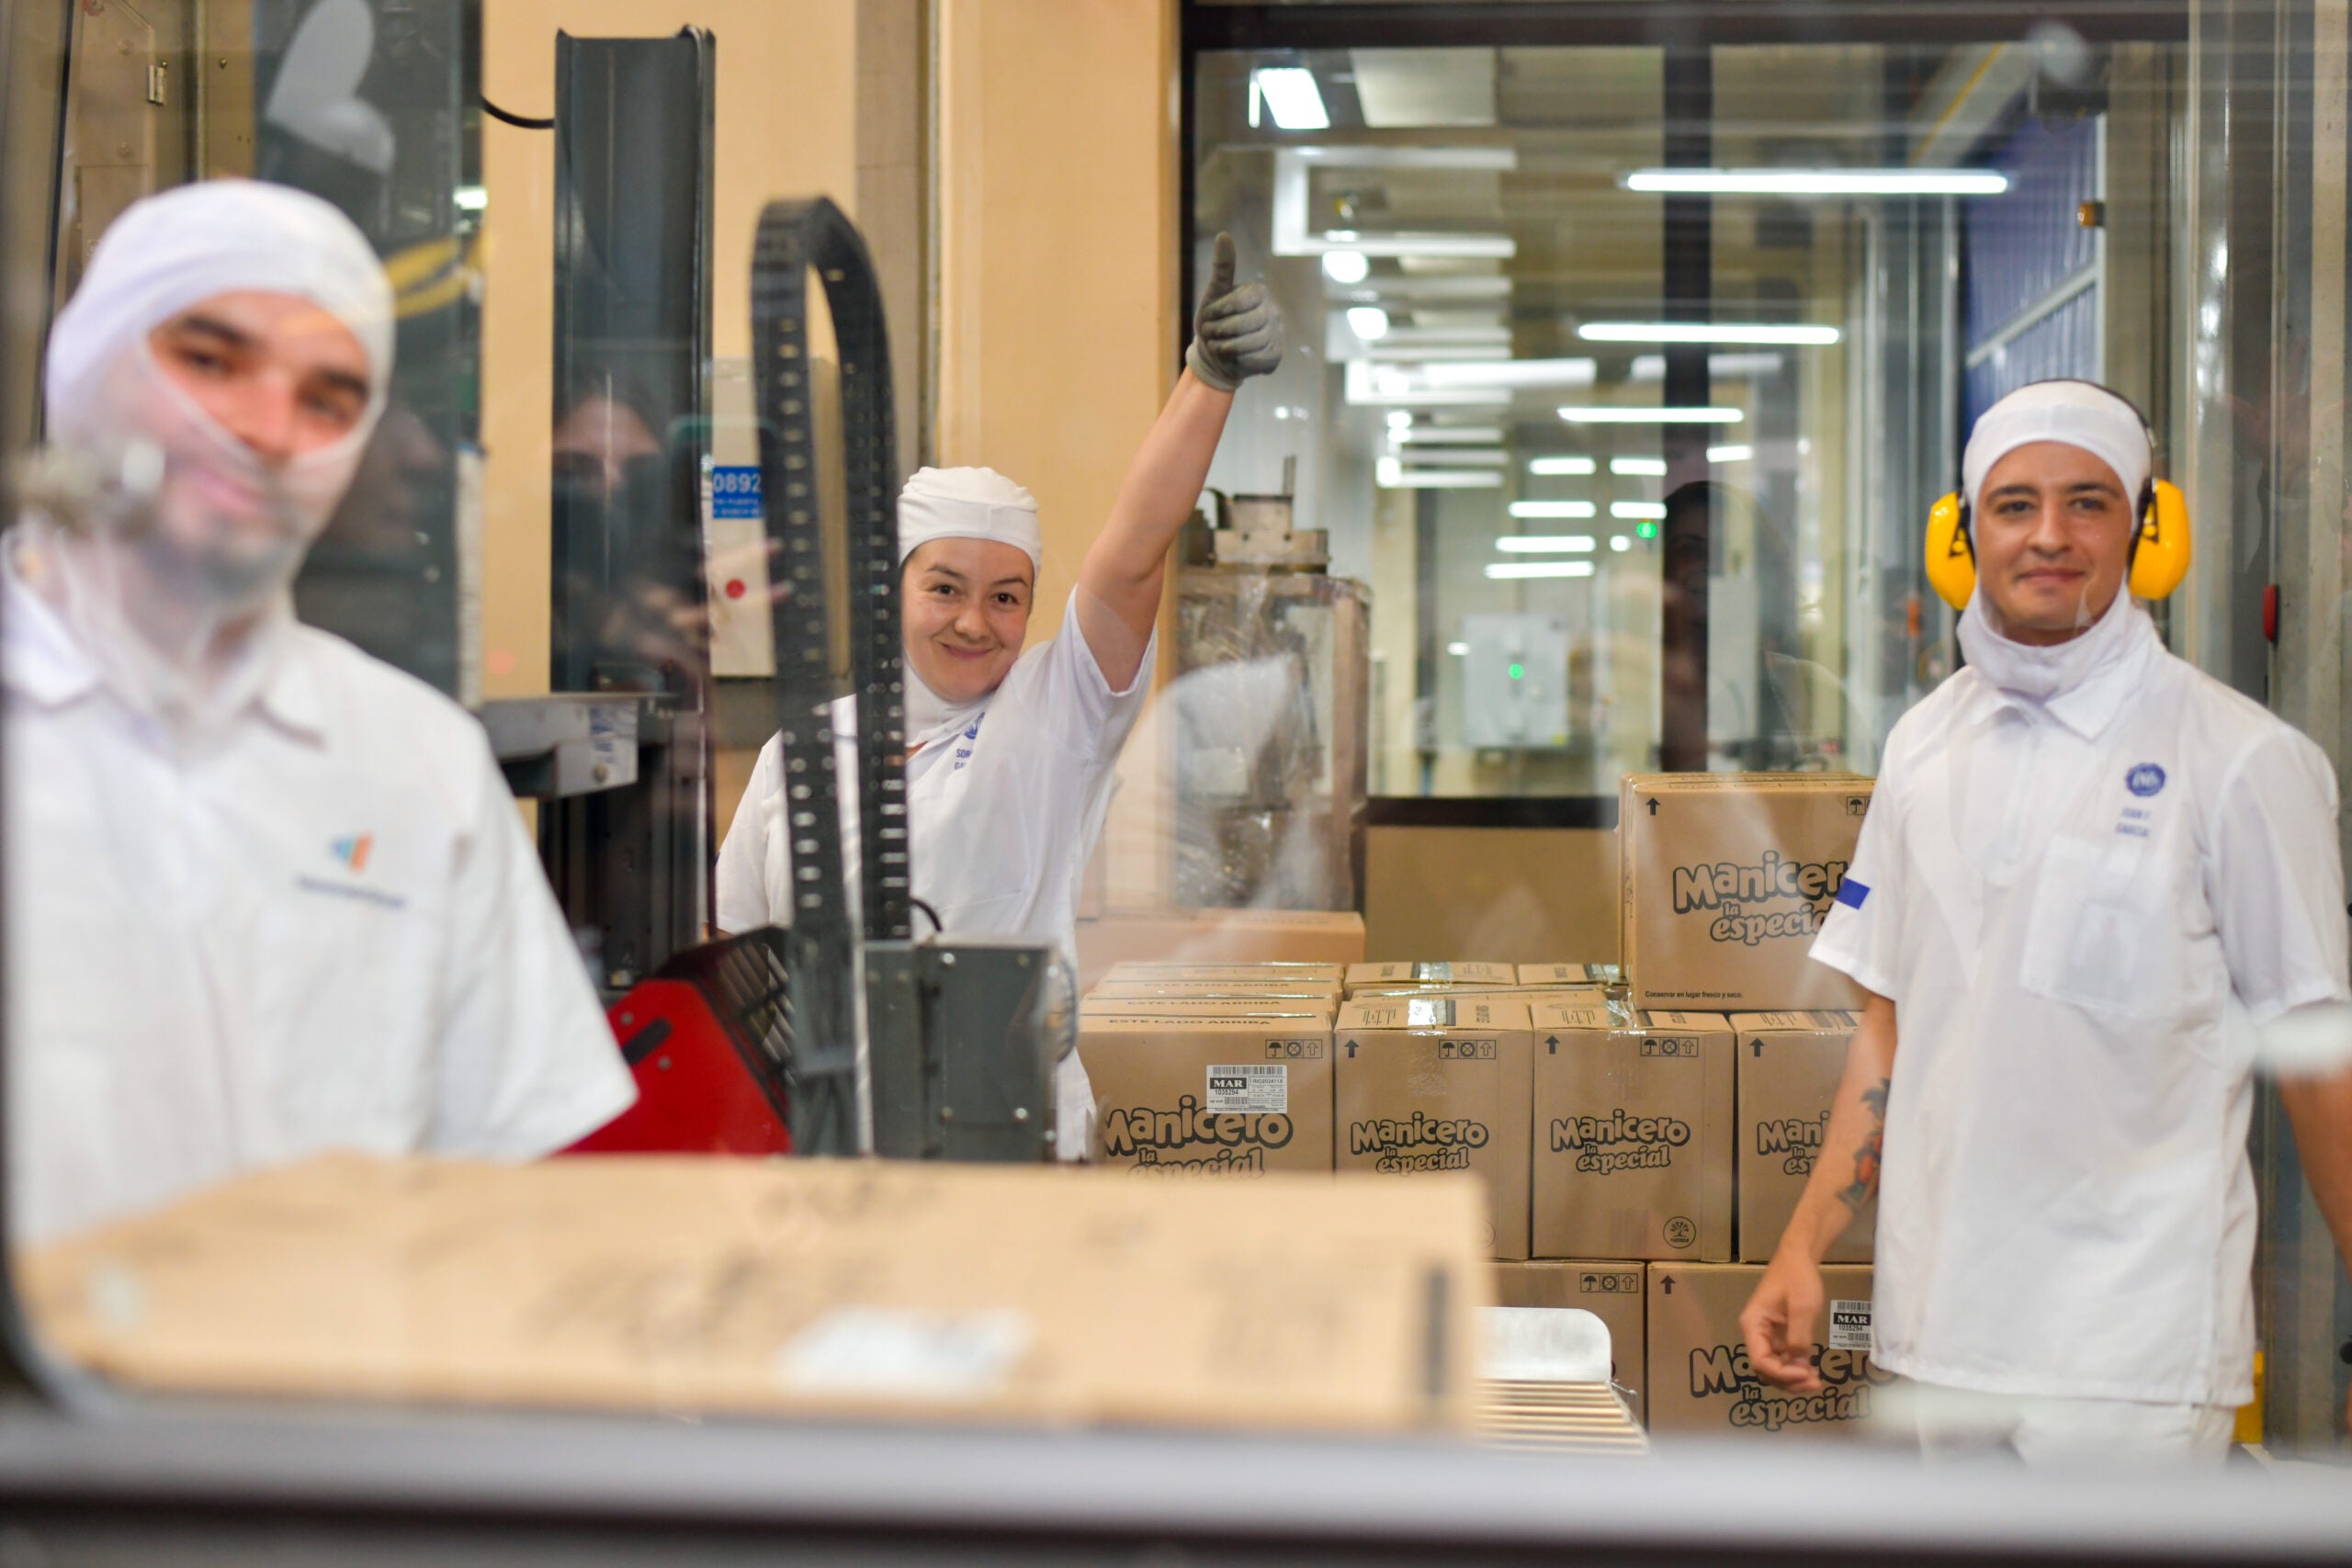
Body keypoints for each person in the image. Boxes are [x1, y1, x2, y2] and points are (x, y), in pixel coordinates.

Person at [5, 180, 636, 1244]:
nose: (266, 429)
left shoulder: (414, 763)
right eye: (207, 360)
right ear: (84, 369)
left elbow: (503, 1189)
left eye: (327, 399)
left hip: (323, 1399)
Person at [1739, 379, 2352, 1462]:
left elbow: (2320, 1059)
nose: (2050, 537)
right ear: (1963, 535)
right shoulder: (1924, 746)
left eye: (2088, 502)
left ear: (2145, 531)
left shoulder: (2242, 761)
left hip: (2131, 1362)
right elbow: (1890, 1025)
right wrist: (1803, 1244)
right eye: (2014, 505)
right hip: (1937, 1339)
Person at [714, 233, 1283, 1153]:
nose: (975, 622)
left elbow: (1130, 557)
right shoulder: (802, 753)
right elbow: (740, 955)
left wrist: (1207, 381)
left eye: (1006, 597)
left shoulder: (1050, 716)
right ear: (888, 589)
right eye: (944, 588)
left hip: (1004, 1142)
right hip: (826, 1147)